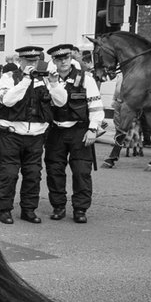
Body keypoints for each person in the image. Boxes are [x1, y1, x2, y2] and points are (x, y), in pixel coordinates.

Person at [43, 43, 104, 223]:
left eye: (66, 58)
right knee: (54, 171)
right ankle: (58, 206)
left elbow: (95, 106)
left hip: (79, 130)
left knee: (81, 171)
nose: (63, 62)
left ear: (71, 59)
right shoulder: (47, 80)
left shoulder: (86, 78)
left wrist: (93, 129)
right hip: (55, 131)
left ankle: (80, 209)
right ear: (53, 60)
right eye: (58, 59)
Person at [0, 45, 52, 224]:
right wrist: (26, 80)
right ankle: (5, 209)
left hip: (36, 136)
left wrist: (53, 83)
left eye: (35, 60)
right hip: (12, 134)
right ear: (20, 61)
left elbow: (58, 101)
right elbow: (8, 101)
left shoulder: (44, 79)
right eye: (28, 60)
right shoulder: (8, 77)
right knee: (9, 174)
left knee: (33, 174)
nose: (32, 64)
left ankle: (29, 209)